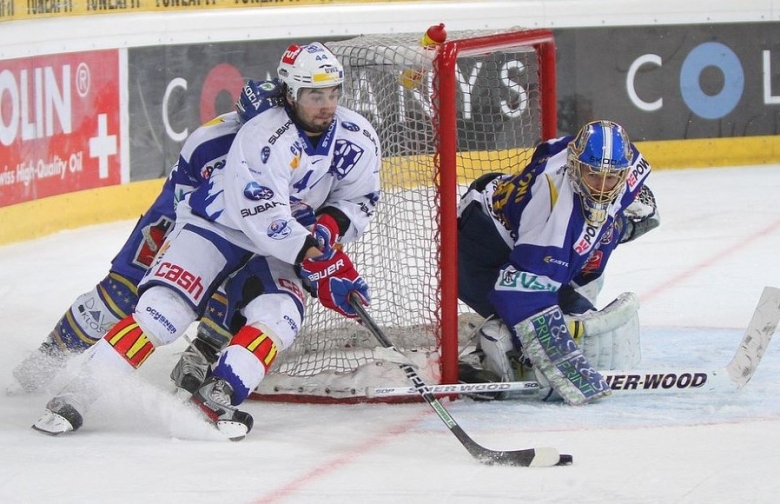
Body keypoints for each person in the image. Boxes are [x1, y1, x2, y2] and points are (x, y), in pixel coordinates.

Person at [32, 42, 381, 440]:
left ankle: (219, 393)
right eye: (315, 95)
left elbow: (357, 198)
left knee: (281, 315)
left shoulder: (356, 135)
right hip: (218, 227)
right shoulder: (261, 136)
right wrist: (313, 255)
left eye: (333, 94)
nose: (326, 105)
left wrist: (327, 234)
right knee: (163, 311)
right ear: (289, 93)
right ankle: (79, 390)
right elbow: (263, 215)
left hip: (282, 244)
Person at [10, 79, 284, 396]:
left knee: (245, 285)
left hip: (246, 230)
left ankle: (203, 350)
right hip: (178, 218)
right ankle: (46, 360)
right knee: (120, 295)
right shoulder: (209, 143)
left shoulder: (291, 147)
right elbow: (184, 208)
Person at [456, 120, 658, 405]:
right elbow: (519, 295)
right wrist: (568, 369)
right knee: (553, 339)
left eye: (611, 178)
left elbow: (547, 150)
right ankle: (488, 349)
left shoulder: (605, 159)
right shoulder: (557, 221)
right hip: (477, 250)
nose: (602, 188)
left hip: (502, 209)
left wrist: (618, 221)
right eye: (593, 176)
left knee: (583, 289)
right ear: (576, 167)